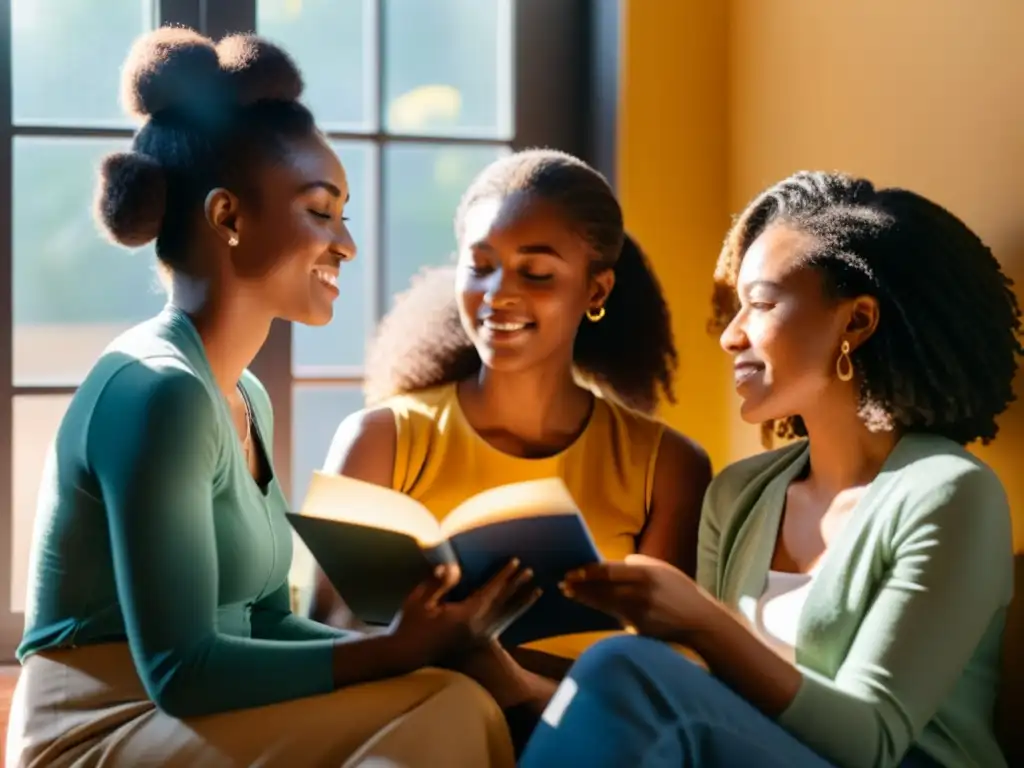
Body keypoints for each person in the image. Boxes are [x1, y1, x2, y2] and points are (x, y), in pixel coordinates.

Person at [5, 27, 536, 768]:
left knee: (447, 693)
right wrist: (390, 652)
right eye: (322, 212)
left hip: (190, 713)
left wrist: (423, 645)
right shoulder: (159, 391)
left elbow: (263, 622)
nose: (345, 243)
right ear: (228, 217)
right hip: (96, 727)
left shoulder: (243, 393)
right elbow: (182, 671)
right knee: (442, 708)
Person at [518, 171, 1020, 768]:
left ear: (855, 322)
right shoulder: (740, 495)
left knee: (624, 668)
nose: (731, 336)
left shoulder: (950, 493)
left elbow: (874, 742)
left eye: (758, 304)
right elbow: (702, 700)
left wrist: (706, 622)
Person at [308, 149, 712, 673]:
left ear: (597, 289)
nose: (498, 295)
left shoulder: (668, 467)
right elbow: (320, 635)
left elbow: (662, 672)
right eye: (479, 267)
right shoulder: (379, 438)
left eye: (537, 273)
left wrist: (515, 683)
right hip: (417, 725)